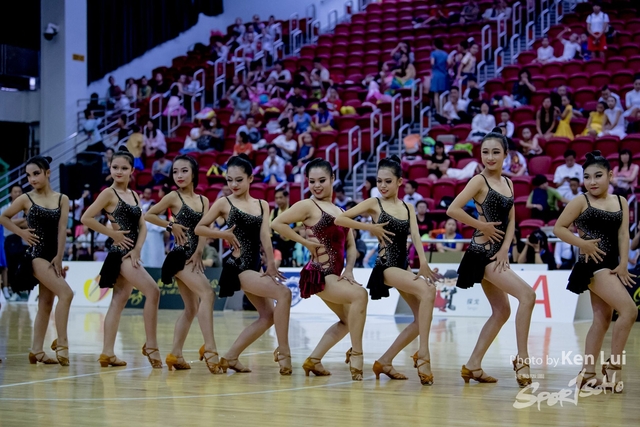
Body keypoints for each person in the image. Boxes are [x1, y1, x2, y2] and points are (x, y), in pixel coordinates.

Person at [335, 155, 440, 385]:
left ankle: (385, 361)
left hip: (404, 265)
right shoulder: (374, 203)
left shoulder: (408, 207)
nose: (382, 186)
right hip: (386, 266)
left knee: (419, 319)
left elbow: (415, 236)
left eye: (387, 181)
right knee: (428, 291)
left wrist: (423, 262)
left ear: (400, 182)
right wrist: (369, 227)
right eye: (379, 181)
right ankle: (423, 355)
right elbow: (340, 219)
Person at [446, 131, 535, 387]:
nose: (490, 157)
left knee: (502, 311)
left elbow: (512, 220)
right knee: (528, 296)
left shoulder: (509, 183)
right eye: (485, 152)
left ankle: (473, 365)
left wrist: (506, 248)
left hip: (498, 253)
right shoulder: (478, 180)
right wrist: (481, 226)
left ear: (506, 154)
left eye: (496, 152)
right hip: (481, 254)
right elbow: (453, 209)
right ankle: (522, 359)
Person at [194, 155, 292, 374]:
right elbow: (200, 228)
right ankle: (284, 352)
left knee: (267, 316)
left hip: (256, 265)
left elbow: (265, 236)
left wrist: (271, 264)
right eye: (229, 180)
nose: (234, 185)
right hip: (238, 266)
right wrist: (223, 234)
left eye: (239, 180)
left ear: (250, 178)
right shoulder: (224, 203)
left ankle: (230, 357)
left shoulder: (262, 204)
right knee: (284, 293)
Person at [271, 158, 368, 380]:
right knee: (360, 295)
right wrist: (305, 242)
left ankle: (314, 360)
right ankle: (357, 354)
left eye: (322, 180)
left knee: (347, 321)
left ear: (332, 179)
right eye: (312, 181)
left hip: (334, 274)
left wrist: (350, 270)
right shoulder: (308, 205)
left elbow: (351, 246)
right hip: (319, 273)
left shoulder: (341, 210)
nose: (316, 185)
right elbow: (277, 223)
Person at [553, 150, 636, 391]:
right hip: (591, 265)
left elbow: (623, 234)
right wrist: (583, 244)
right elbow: (559, 228)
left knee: (602, 320)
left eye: (598, 176)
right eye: (587, 177)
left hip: (611, 264)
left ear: (610, 176)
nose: (592, 181)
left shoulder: (621, 201)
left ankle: (587, 373)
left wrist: (623, 263)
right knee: (629, 311)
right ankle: (613, 366)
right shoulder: (581, 201)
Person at [81, 147, 162, 368]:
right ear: (110, 168)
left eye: (123, 168)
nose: (118, 171)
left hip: (131, 252)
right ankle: (151, 346)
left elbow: (142, 226)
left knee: (118, 300)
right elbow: (86, 218)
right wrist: (113, 234)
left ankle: (107, 352)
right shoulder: (108, 193)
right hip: (120, 253)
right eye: (115, 167)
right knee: (153, 291)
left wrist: (138, 249)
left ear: (132, 170)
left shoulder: (134, 195)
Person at [144, 155, 221, 374]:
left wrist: (199, 252)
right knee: (208, 294)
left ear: (194, 173)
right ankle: (210, 349)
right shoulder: (173, 196)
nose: (179, 175)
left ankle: (175, 354)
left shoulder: (204, 200)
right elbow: (149, 215)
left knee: (192, 307)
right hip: (179, 256)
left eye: (184, 171)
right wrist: (170, 225)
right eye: (175, 171)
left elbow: (203, 229)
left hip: (192, 256)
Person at [0, 157, 73, 365]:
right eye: (28, 175)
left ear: (48, 173)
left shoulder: (62, 199)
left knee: (46, 303)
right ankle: (62, 343)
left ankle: (36, 350)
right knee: (66, 294)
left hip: (53, 255)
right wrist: (21, 233)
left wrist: (59, 256)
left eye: (36, 174)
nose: (32, 179)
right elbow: (3, 217)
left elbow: (62, 229)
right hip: (36, 255)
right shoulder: (26, 198)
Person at [1, 184, 27, 298]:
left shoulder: (25, 208)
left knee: (21, 265)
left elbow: (27, 223)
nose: (18, 194)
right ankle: (11, 289)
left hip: (21, 239)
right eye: (15, 192)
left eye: (20, 192)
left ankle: (21, 289)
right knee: (10, 265)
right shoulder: (4, 208)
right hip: (8, 239)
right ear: (10, 194)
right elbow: (2, 222)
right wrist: (21, 221)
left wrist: (9, 221)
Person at [430, 39, 450, 112]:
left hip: (436, 74)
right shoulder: (445, 54)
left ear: (435, 45)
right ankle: (444, 111)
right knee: (443, 94)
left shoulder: (433, 53)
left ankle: (438, 111)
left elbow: (432, 63)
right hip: (443, 75)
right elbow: (450, 63)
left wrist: (434, 67)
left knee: (436, 94)